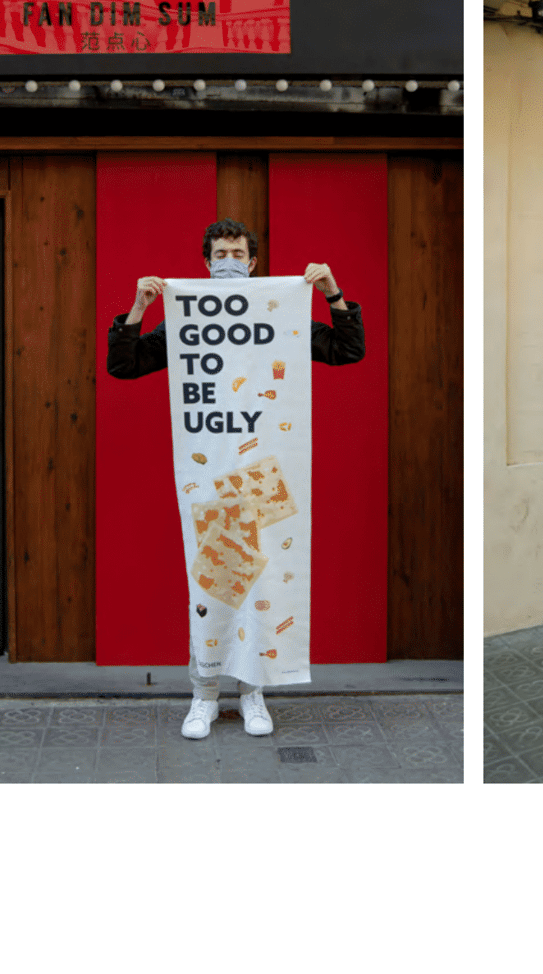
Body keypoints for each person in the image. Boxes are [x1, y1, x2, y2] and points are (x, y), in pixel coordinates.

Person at [107, 218, 365, 740]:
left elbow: (346, 349)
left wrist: (332, 293)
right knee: (214, 582)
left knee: (261, 580)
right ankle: (203, 695)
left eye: (237, 252)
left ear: (251, 263)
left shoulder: (280, 315)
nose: (228, 260)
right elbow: (125, 364)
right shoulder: (190, 322)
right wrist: (138, 309)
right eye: (219, 253)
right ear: (207, 264)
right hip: (210, 469)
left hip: (266, 471)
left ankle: (253, 693)